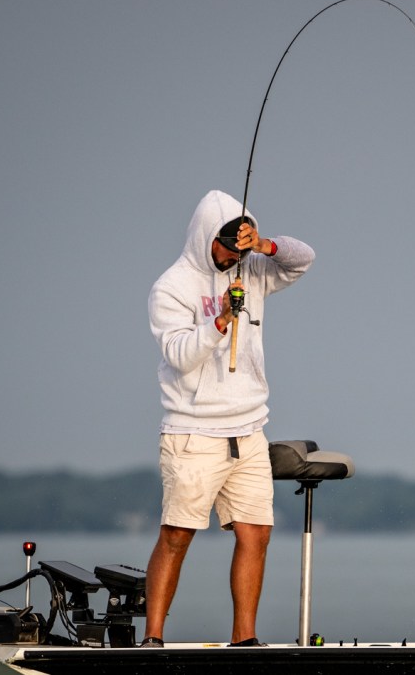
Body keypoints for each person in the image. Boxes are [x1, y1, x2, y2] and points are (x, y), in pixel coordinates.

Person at [140, 190, 315, 647]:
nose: (233, 257)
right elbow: (179, 355)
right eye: (227, 248)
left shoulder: (251, 268)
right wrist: (219, 322)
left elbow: (303, 259)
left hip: (250, 429)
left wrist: (264, 246)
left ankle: (244, 640)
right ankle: (153, 638)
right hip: (193, 432)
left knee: (256, 533)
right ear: (206, 239)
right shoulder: (171, 286)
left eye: (240, 248)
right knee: (177, 535)